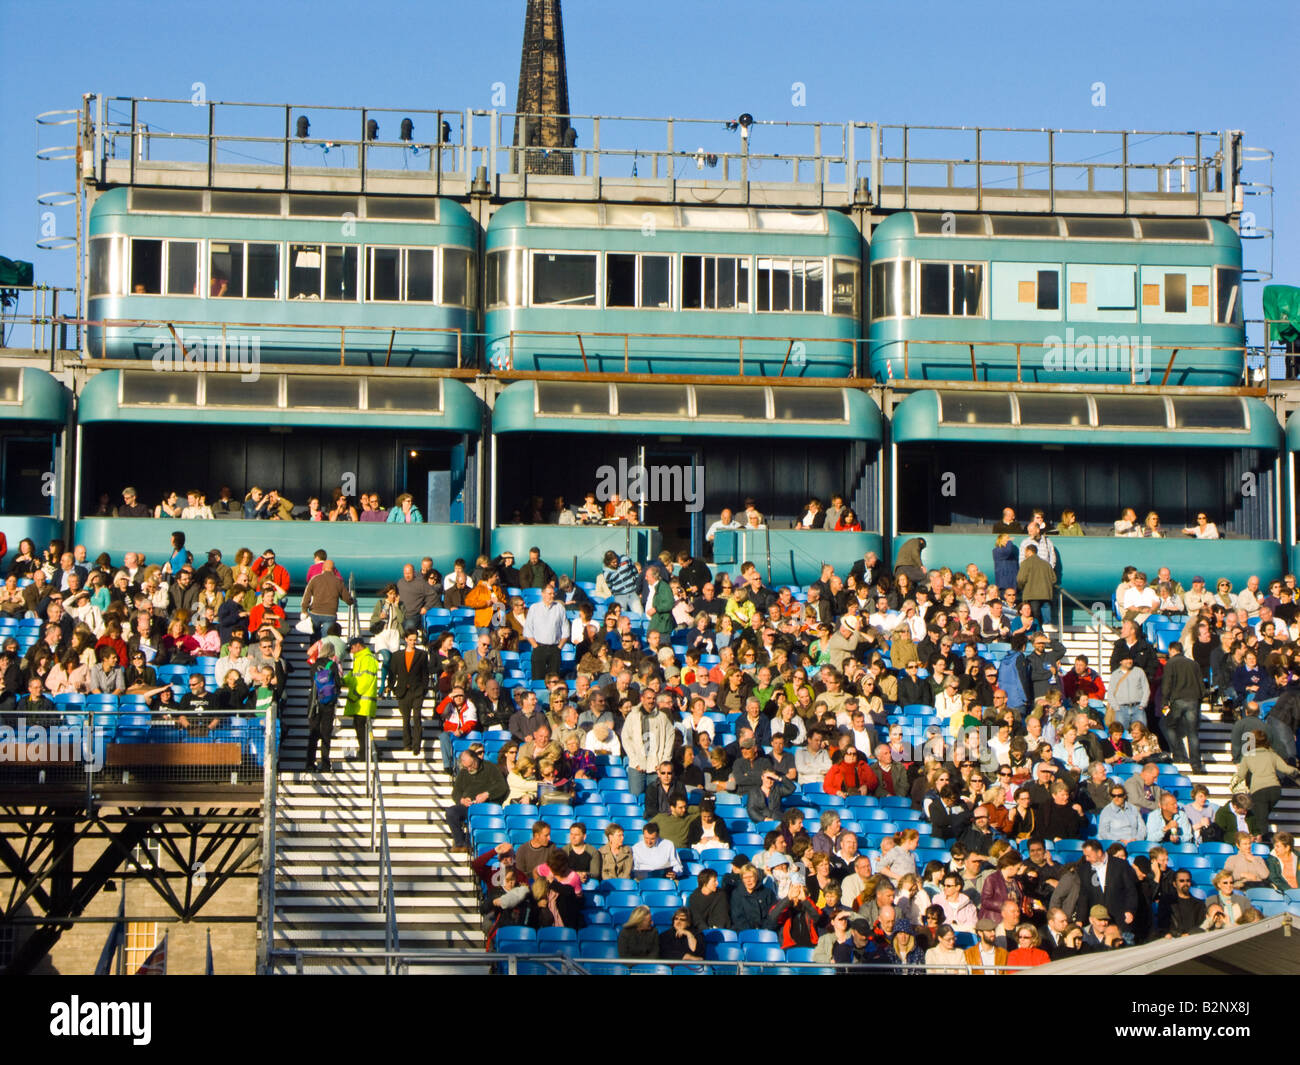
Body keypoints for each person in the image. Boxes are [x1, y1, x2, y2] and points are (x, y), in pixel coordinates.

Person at [444, 749, 509, 853]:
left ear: (476, 759)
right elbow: (455, 792)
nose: (469, 769)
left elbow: (502, 787)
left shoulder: (490, 768)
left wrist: (487, 794)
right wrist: (462, 800)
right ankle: (460, 843)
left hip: (487, 806)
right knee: (451, 812)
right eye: (467, 767)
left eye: (471, 765)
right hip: (468, 806)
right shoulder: (464, 772)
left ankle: (473, 842)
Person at [1230, 731, 1300, 826]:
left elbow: (1241, 775)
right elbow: (1287, 769)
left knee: (1260, 818)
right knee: (1262, 814)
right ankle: (1262, 833)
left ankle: (1263, 836)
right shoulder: (1272, 755)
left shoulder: (1248, 756)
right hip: (1275, 790)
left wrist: (1233, 784)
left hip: (1259, 790)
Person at [387, 629, 430, 755]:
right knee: (405, 719)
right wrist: (391, 687)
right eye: (410, 639)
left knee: (416, 717)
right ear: (405, 639)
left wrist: (424, 689)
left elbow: (425, 674)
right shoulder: (397, 655)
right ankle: (407, 743)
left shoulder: (422, 654)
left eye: (414, 640)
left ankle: (416, 746)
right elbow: (392, 673)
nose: (413, 642)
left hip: (417, 691)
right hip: (402, 691)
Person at [304, 642, 342, 771]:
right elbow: (338, 683)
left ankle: (310, 763)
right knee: (326, 733)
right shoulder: (333, 665)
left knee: (313, 733)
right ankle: (325, 763)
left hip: (314, 703)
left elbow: (312, 682)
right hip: (328, 704)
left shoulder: (314, 665)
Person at [342, 635, 379, 762]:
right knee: (360, 729)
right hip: (361, 703)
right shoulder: (360, 659)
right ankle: (369, 753)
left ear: (358, 645)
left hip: (363, 702)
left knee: (362, 730)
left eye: (352, 648)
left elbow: (365, 681)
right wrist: (341, 681)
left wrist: (354, 695)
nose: (351, 651)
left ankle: (366, 755)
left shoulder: (367, 659)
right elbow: (354, 677)